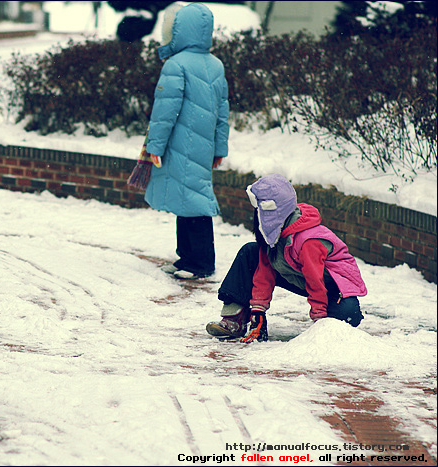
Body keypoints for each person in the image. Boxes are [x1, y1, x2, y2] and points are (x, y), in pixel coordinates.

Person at [206, 174, 368, 342]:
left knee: (348, 316)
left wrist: (319, 320)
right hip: (297, 274)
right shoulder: (272, 234)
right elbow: (264, 272)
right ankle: (235, 317)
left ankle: (336, 315)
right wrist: (258, 312)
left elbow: (315, 279)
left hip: (332, 285)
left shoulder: (308, 240)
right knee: (249, 252)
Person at [144, 2, 230, 280]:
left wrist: (154, 146)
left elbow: (164, 111)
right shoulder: (215, 64)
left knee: (195, 202)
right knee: (188, 200)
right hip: (202, 146)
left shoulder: (176, 64)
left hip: (181, 144)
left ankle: (201, 263)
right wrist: (219, 147)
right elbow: (223, 111)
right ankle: (186, 259)